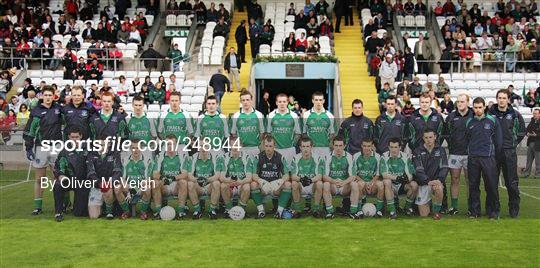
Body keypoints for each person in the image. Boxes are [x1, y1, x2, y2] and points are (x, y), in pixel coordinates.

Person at [23, 86, 63, 215]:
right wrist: (29, 148)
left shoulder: (59, 109)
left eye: (50, 95)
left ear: (53, 96)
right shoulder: (36, 111)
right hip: (41, 147)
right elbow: (30, 130)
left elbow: (69, 124)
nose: (48, 97)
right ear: (42, 96)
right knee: (40, 179)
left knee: (59, 177)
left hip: (57, 146)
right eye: (45, 95)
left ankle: (62, 205)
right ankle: (37, 206)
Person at [488, 89, 526, 218]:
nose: (501, 100)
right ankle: (493, 209)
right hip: (493, 153)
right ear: (497, 99)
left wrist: (513, 143)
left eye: (504, 98)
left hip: (509, 152)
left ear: (508, 100)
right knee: (492, 182)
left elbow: (521, 131)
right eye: (499, 98)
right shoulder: (490, 113)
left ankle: (514, 209)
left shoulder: (515, 114)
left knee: (511, 182)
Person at [466, 97, 503, 219]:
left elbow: (498, 141)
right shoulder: (469, 122)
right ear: (473, 108)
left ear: (484, 107)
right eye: (475, 108)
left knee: (491, 186)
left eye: (480, 107)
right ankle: (474, 211)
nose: (477, 110)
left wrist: (495, 157)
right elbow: (467, 139)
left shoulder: (492, 120)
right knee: (473, 186)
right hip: (473, 158)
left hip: (488, 158)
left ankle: (493, 211)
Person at [442, 94, 473, 215]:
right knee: (454, 180)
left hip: (470, 155)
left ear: (468, 102)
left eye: (462, 101)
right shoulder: (451, 117)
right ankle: (454, 207)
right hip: (455, 154)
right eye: (458, 101)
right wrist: (452, 145)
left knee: (470, 181)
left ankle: (471, 206)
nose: (460, 104)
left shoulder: (473, 115)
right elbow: (446, 134)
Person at [52, 127, 90, 221]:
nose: (75, 139)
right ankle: (58, 212)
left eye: (77, 137)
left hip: (83, 181)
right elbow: (58, 167)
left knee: (79, 214)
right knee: (57, 185)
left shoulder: (88, 149)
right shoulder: (64, 151)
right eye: (72, 137)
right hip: (69, 180)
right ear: (69, 137)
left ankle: (77, 207)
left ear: (81, 136)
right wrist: (61, 175)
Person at [249, 135, 290, 219]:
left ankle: (279, 212)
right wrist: (262, 182)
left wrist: (279, 182)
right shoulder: (258, 157)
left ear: (274, 146)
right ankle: (261, 211)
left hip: (275, 187)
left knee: (288, 184)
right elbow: (254, 175)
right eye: (266, 146)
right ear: (263, 146)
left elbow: (286, 175)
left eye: (270, 146)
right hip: (263, 187)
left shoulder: (280, 157)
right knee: (253, 184)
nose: (268, 148)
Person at [149, 135, 189, 219]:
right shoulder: (159, 156)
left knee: (183, 182)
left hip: (176, 186)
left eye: (172, 144)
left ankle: (181, 213)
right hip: (165, 185)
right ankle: (158, 213)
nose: (170, 147)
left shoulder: (182, 156)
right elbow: (155, 174)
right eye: (168, 144)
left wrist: (173, 178)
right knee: (155, 183)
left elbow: (185, 174)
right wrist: (163, 178)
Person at [413, 129, 448, 220]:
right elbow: (418, 170)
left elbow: (444, 167)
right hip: (424, 184)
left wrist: (439, 180)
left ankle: (436, 212)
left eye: (431, 137)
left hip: (436, 183)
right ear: (423, 138)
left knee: (439, 188)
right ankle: (428, 204)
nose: (429, 140)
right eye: (426, 137)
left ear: (435, 137)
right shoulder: (417, 151)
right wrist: (428, 181)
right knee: (424, 215)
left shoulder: (441, 150)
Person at [184, 144, 225, 219]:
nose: (203, 148)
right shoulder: (193, 157)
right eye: (201, 146)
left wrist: (207, 180)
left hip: (209, 185)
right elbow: (189, 175)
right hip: (198, 185)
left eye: (206, 146)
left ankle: (212, 211)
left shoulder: (215, 157)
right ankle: (197, 211)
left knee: (216, 183)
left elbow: (217, 175)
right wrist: (198, 180)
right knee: (190, 183)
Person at [86, 137, 123, 219]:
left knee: (108, 190)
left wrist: (109, 183)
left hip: (109, 187)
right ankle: (103, 207)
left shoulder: (115, 154)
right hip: (97, 187)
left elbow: (118, 171)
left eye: (103, 145)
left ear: (109, 144)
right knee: (93, 216)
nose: (101, 147)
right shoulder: (91, 155)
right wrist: (99, 183)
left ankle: (109, 211)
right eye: (98, 145)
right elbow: (90, 173)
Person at [380, 138, 417, 219]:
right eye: (391, 147)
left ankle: (407, 208)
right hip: (390, 186)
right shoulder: (384, 156)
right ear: (388, 147)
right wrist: (397, 177)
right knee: (386, 181)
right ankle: (392, 211)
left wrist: (407, 178)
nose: (393, 150)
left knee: (414, 185)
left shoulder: (405, 156)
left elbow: (410, 174)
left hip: (401, 185)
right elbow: (384, 174)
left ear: (400, 147)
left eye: (396, 147)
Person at [320, 136, 357, 219]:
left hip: (345, 186)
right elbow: (324, 176)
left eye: (340, 146)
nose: (338, 148)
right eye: (336, 145)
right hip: (333, 185)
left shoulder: (349, 157)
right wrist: (333, 181)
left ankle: (353, 212)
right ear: (333, 146)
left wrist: (344, 182)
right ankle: (330, 212)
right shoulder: (327, 157)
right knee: (325, 184)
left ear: (344, 146)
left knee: (354, 184)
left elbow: (353, 176)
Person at [116, 140, 153, 220]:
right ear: (130, 149)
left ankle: (143, 212)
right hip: (129, 187)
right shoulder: (125, 160)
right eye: (133, 148)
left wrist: (136, 189)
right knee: (117, 188)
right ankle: (126, 211)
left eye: (137, 148)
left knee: (147, 188)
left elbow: (147, 179)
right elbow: (122, 177)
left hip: (141, 187)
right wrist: (125, 185)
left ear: (141, 148)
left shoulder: (147, 160)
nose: (135, 150)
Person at [290, 137, 324, 217]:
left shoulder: (317, 158)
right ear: (300, 148)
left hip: (312, 185)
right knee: (294, 183)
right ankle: (297, 210)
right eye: (303, 146)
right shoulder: (296, 158)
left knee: (319, 183)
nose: (305, 149)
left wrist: (310, 180)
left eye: (308, 146)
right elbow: (293, 176)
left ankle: (316, 210)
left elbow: (319, 176)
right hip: (301, 185)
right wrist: (301, 179)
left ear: (311, 147)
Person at [220, 137, 253, 217]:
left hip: (241, 184)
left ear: (241, 146)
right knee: (223, 185)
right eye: (233, 145)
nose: (235, 147)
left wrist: (240, 182)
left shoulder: (246, 157)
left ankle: (241, 211)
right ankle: (229, 210)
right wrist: (229, 181)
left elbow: (249, 178)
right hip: (230, 184)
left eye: (237, 145)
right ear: (230, 146)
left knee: (247, 187)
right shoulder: (225, 157)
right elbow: (221, 177)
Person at [352, 138, 384, 217]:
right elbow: (354, 174)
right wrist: (364, 182)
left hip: (372, 184)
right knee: (360, 184)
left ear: (372, 146)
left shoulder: (377, 156)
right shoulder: (356, 156)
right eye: (365, 146)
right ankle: (359, 210)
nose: (366, 148)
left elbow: (377, 174)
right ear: (361, 146)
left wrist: (371, 183)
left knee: (381, 184)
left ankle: (379, 210)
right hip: (361, 183)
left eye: (369, 146)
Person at [267, 93, 301, 164]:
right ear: (276, 103)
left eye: (284, 102)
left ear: (287, 102)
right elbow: (268, 133)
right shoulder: (271, 115)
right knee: (276, 173)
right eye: (280, 102)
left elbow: (298, 133)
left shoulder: (294, 115)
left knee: (290, 173)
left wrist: (292, 144)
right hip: (275, 150)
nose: (282, 104)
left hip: (290, 150)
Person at [230, 90, 265, 158]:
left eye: (247, 100)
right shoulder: (236, 116)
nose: (245, 102)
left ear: (251, 100)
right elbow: (233, 134)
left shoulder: (259, 115)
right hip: (241, 149)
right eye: (243, 100)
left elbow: (262, 133)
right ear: (241, 102)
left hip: (255, 148)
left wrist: (257, 143)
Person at [302, 92, 335, 158]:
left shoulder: (330, 116)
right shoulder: (306, 115)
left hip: (326, 149)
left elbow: (332, 134)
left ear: (323, 101)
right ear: (312, 101)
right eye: (316, 100)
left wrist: (331, 148)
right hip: (311, 149)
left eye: (320, 100)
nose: (318, 102)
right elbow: (304, 133)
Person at [523, 108, 540, 178]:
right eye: (533, 113)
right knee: (529, 160)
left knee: (538, 161)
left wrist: (536, 135)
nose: (534, 115)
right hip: (530, 142)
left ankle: (538, 174)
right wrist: (527, 133)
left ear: (539, 114)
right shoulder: (532, 121)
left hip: (538, 143)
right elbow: (527, 130)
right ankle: (526, 173)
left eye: (535, 114)